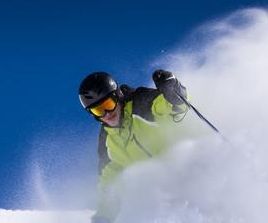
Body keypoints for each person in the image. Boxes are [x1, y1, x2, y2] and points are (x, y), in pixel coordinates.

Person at [78, 70, 188, 223]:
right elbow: (110, 182)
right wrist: (104, 216)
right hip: (166, 194)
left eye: (108, 105)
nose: (106, 114)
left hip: (189, 172)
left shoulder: (140, 104)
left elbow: (173, 107)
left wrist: (172, 89)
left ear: (117, 96)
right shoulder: (107, 141)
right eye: (98, 110)